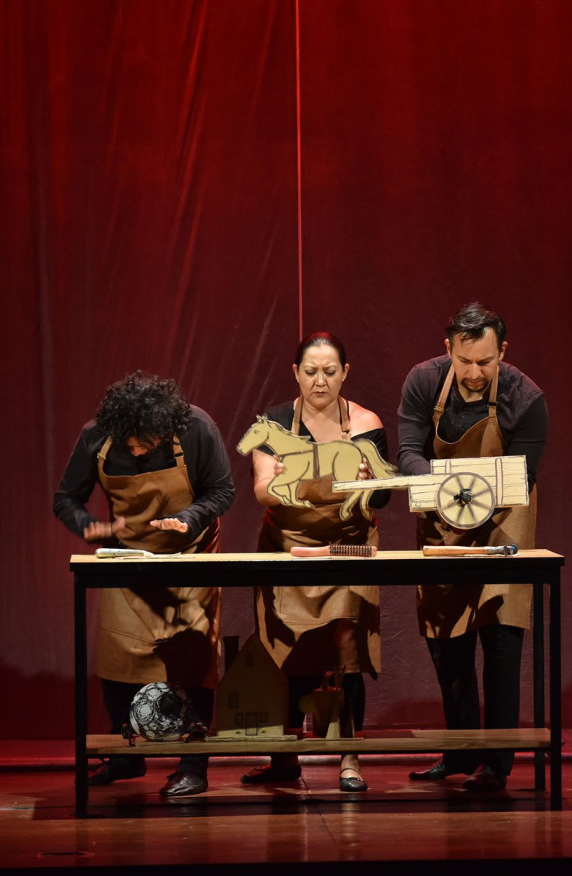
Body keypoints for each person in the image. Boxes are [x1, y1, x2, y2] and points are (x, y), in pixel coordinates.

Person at [53, 370, 235, 798]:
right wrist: (90, 527)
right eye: (130, 441)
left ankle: (193, 765)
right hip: (129, 556)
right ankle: (126, 754)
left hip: (191, 552)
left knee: (194, 658)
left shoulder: (197, 428)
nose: (137, 448)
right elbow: (65, 498)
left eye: (146, 442)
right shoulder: (96, 437)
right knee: (118, 660)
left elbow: (222, 491)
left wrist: (188, 519)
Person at [398, 302, 547, 791]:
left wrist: (465, 489)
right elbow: (407, 453)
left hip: (504, 524)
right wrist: (444, 488)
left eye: (486, 361)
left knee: (501, 642)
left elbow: (520, 477)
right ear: (449, 350)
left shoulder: (526, 399)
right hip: (443, 525)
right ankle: (460, 754)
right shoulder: (423, 381)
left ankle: (496, 764)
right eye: (466, 362)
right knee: (448, 644)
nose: (476, 372)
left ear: (502, 351)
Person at [241, 332, 389, 792]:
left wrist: (366, 480)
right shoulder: (276, 424)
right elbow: (262, 489)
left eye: (329, 372)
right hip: (289, 545)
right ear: (295, 373)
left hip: (346, 545)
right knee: (284, 649)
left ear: (345, 373)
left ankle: (349, 757)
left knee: (347, 652)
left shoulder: (364, 423)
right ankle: (284, 758)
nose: (320, 381)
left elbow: (384, 493)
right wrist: (285, 483)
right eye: (310, 372)